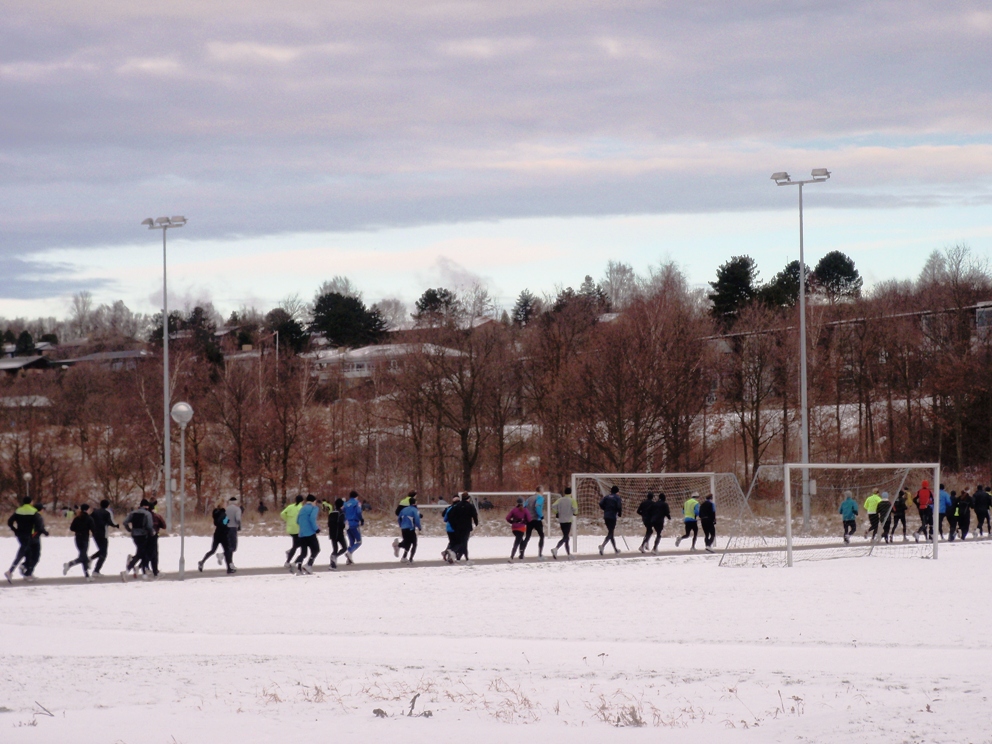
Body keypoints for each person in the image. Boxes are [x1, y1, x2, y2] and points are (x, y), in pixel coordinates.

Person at [5, 496, 47, 583]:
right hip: (29, 536)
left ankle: (27, 572)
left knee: (27, 553)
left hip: (20, 535)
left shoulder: (18, 510)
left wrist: (15, 530)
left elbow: (9, 522)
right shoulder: (33, 512)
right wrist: (42, 532)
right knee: (21, 554)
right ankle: (10, 571)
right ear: (31, 502)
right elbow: (39, 525)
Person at [122, 500, 154, 581]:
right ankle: (128, 570)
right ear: (146, 506)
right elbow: (150, 526)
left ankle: (142, 572)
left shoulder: (133, 513)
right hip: (143, 535)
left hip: (134, 535)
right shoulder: (147, 514)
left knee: (142, 553)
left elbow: (125, 522)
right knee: (142, 554)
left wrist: (129, 529)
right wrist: (152, 533)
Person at [197, 502, 234, 574]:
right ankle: (229, 568)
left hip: (217, 534)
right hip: (223, 534)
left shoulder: (216, 513)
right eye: (226, 504)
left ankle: (202, 562)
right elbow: (223, 523)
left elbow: (218, 522)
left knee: (214, 550)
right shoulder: (223, 513)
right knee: (227, 551)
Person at [63, 503, 96, 580]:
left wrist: (79, 529)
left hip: (77, 538)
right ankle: (69, 564)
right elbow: (93, 529)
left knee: (83, 556)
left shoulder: (77, 518)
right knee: (83, 557)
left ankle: (87, 576)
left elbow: (72, 528)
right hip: (85, 538)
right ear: (87, 509)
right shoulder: (89, 518)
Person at [89, 499, 119, 576]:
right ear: (108, 505)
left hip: (95, 534)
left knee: (101, 550)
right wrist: (116, 525)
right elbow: (111, 522)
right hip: (103, 534)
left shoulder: (95, 512)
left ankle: (90, 559)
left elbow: (89, 520)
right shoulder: (108, 512)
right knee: (104, 553)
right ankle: (96, 571)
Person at [293, 494, 320, 574]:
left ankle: (299, 569)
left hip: (302, 533)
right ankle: (308, 565)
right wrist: (316, 529)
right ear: (314, 501)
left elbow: (297, 521)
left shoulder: (302, 508)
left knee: (303, 553)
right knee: (316, 549)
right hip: (310, 533)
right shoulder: (314, 508)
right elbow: (312, 519)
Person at [449, 492, 480, 562]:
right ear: (468, 499)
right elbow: (474, 515)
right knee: (464, 542)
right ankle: (458, 554)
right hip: (467, 527)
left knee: (461, 542)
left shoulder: (457, 506)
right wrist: (476, 523)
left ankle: (462, 556)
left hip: (458, 527)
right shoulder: (470, 506)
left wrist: (453, 525)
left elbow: (451, 516)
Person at [551, 487, 578, 559]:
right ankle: (556, 548)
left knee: (566, 537)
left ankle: (569, 554)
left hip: (561, 520)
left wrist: (556, 512)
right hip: (568, 520)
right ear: (571, 493)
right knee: (566, 536)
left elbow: (553, 506)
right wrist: (575, 513)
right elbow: (575, 509)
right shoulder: (572, 500)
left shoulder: (560, 500)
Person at [394, 495, 422, 562]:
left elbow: (399, 518)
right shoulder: (415, 510)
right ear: (415, 503)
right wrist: (419, 527)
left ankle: (404, 557)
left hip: (403, 529)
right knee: (414, 543)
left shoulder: (403, 509)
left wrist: (401, 525)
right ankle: (411, 559)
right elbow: (417, 520)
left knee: (407, 542)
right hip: (410, 529)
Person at [521, 487, 546, 559]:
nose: (543, 492)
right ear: (541, 490)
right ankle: (540, 554)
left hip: (529, 520)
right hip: (536, 519)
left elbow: (524, 506)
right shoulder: (540, 498)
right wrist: (541, 515)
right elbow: (537, 506)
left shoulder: (530, 498)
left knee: (527, 537)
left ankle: (522, 554)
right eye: (543, 490)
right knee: (541, 536)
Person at [598, 486, 623, 555]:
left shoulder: (606, 497)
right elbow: (619, 506)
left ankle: (615, 549)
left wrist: (605, 509)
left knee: (611, 533)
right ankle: (602, 546)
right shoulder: (617, 497)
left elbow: (600, 504)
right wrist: (619, 513)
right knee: (611, 532)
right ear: (617, 491)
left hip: (606, 516)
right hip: (612, 516)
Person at [280, 494, 304, 566]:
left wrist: (287, 520)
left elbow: (282, 513)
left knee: (297, 544)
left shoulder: (290, 506)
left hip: (290, 528)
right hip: (298, 529)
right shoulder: (301, 508)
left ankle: (289, 553)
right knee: (299, 544)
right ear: (302, 501)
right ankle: (288, 560)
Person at [342, 490, 364, 564]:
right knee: (359, 541)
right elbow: (358, 512)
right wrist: (361, 519)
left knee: (351, 541)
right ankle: (349, 552)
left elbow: (342, 512)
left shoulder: (346, 504)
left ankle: (349, 560)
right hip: (354, 523)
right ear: (356, 496)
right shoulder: (357, 503)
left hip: (347, 524)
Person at [147, 499, 167, 577]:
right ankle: (155, 571)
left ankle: (142, 566)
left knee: (144, 552)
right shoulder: (156, 516)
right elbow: (164, 526)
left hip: (143, 536)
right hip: (154, 536)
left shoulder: (144, 515)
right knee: (154, 553)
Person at [327, 498, 348, 569]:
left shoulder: (331, 513)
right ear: (341, 505)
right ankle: (335, 557)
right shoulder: (341, 513)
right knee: (344, 548)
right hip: (339, 534)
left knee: (335, 549)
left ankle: (332, 565)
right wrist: (345, 526)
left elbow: (329, 524)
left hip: (332, 533)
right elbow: (341, 524)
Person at [225, 497, 242, 564]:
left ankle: (230, 562)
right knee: (233, 547)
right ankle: (222, 555)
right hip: (233, 528)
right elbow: (238, 519)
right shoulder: (237, 509)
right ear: (235, 502)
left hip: (226, 529)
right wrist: (239, 526)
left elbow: (225, 520)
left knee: (228, 545)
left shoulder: (226, 509)